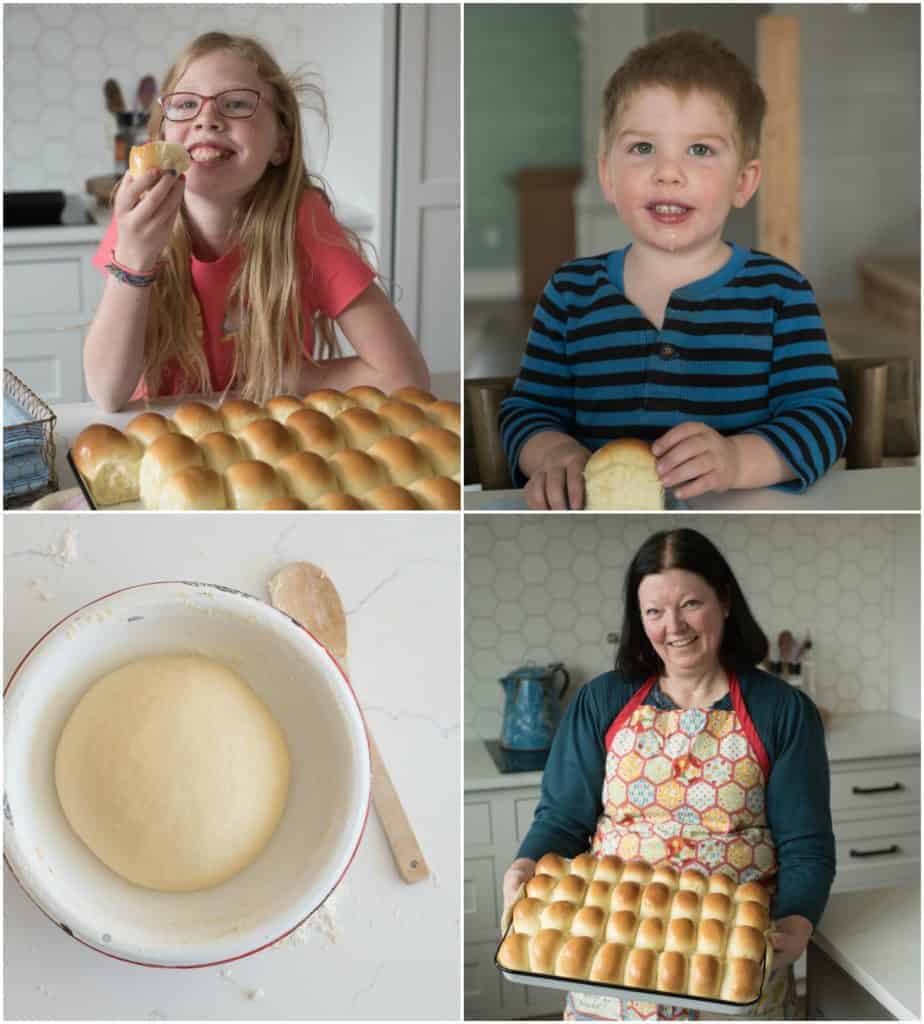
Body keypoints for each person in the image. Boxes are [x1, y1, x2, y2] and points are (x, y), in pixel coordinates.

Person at [499, 31, 850, 510]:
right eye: (643, 148)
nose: (668, 171)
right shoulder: (570, 293)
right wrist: (552, 451)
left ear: (743, 182)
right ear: (608, 176)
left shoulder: (780, 292)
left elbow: (822, 420)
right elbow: (527, 412)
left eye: (700, 150)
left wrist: (736, 459)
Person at [501, 528, 834, 1020]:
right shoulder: (602, 701)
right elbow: (564, 821)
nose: (673, 626)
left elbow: (805, 843)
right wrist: (525, 864)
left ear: (724, 599)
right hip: (613, 957)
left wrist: (800, 917)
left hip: (730, 964)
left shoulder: (781, 711)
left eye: (690, 604)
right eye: (654, 611)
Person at [85, 32, 429, 411]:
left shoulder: (303, 221)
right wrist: (134, 258)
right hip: (157, 442)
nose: (207, 119)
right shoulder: (138, 218)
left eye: (235, 104)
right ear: (161, 136)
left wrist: (284, 378)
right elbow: (107, 393)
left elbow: (405, 379)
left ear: (280, 143)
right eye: (185, 105)